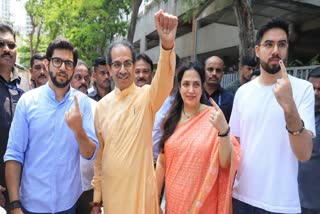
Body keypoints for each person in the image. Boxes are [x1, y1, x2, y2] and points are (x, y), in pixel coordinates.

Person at [91, 10, 178, 213]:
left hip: (141, 196)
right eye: (117, 64)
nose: (122, 70)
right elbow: (100, 157)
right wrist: (97, 199)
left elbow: (164, 82)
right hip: (113, 198)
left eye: (127, 63)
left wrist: (167, 46)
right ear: (110, 69)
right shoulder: (101, 107)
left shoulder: (146, 96)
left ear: (133, 65)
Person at [230, 17, 315, 214]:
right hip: (240, 197)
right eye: (269, 44)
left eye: (281, 44)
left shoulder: (303, 89)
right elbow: (235, 145)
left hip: (280, 204)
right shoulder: (243, 92)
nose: (276, 50)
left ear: (286, 50)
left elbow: (304, 154)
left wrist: (289, 106)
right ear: (258, 51)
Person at [4, 38, 98, 213]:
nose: (62, 67)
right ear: (47, 64)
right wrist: (15, 204)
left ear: (73, 69)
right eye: (57, 61)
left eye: (68, 63)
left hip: (68, 205)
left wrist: (78, 130)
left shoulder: (83, 103)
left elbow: (89, 154)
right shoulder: (28, 101)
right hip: (31, 205)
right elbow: (14, 154)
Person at [155, 61, 241, 213]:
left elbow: (225, 163)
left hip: (204, 202)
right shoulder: (171, 119)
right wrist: (154, 200)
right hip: (175, 202)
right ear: (179, 87)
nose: (190, 90)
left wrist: (223, 131)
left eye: (196, 84)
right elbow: (162, 162)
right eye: (186, 84)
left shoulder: (213, 118)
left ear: (202, 88)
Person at [0, 23, 23, 210]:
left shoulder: (22, 93)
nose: (7, 50)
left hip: (22, 190)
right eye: (1, 44)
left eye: (11, 45)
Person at [298, 67, 320, 214]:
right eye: (312, 87)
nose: (316, 93)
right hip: (287, 195)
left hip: (312, 201)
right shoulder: (295, 112)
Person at [203, 56, 234, 122]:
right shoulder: (195, 95)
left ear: (222, 74)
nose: (214, 73)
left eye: (218, 70)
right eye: (210, 69)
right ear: (203, 72)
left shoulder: (230, 98)